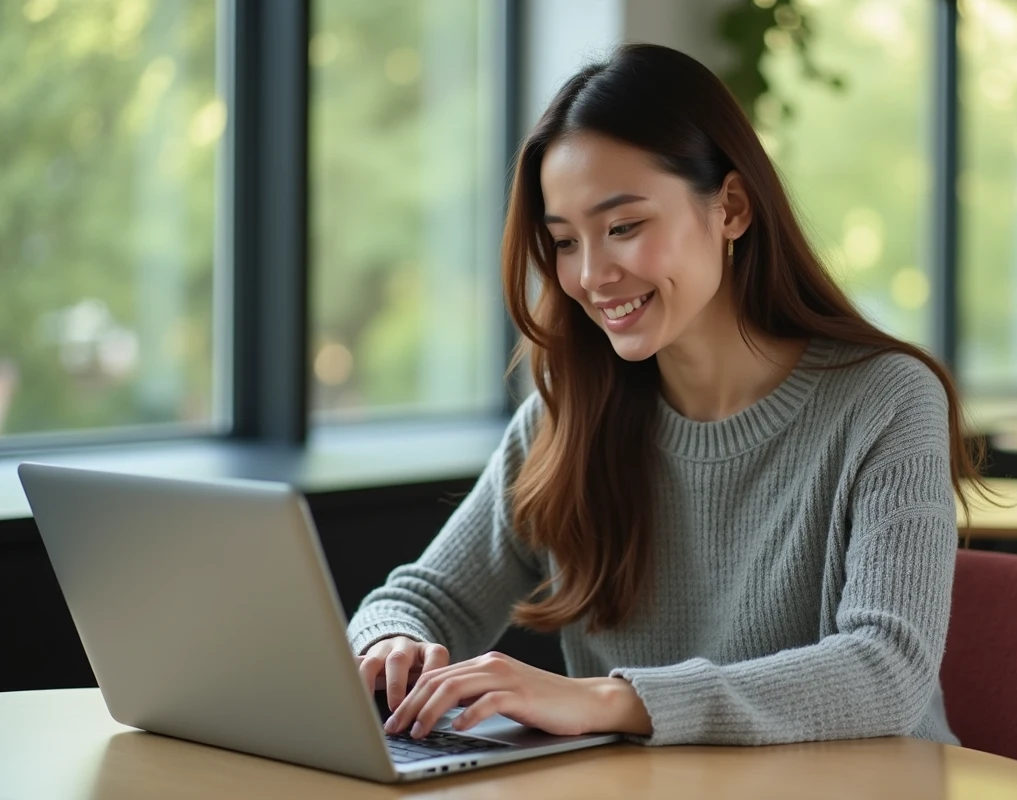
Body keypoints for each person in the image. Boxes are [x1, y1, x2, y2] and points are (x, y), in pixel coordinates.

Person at [350, 43, 981, 748]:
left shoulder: (885, 400)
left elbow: (886, 671)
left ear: (732, 208)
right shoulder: (568, 417)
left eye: (623, 227)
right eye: (563, 242)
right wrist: (391, 645)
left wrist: (610, 700)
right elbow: (423, 598)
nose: (591, 275)